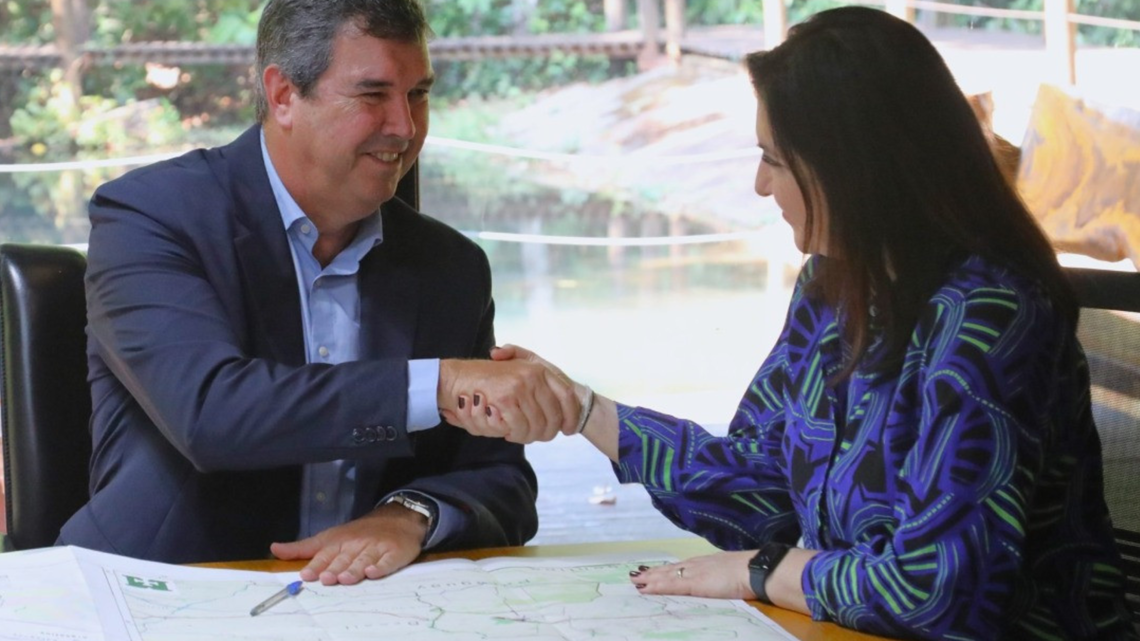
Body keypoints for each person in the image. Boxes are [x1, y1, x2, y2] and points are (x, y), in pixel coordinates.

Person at [445, 7, 1136, 640]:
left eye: (774, 160)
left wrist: (764, 572)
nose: (758, 185)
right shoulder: (833, 284)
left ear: (852, 168)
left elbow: (941, 589)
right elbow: (763, 489)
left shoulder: (991, 313)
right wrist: (583, 409)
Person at [66, 0, 578, 584]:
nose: (406, 128)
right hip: (157, 588)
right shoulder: (153, 215)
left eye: (418, 95)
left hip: (360, 602)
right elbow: (210, 414)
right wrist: (440, 383)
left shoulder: (450, 265)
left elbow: (501, 480)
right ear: (283, 95)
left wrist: (407, 516)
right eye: (372, 95)